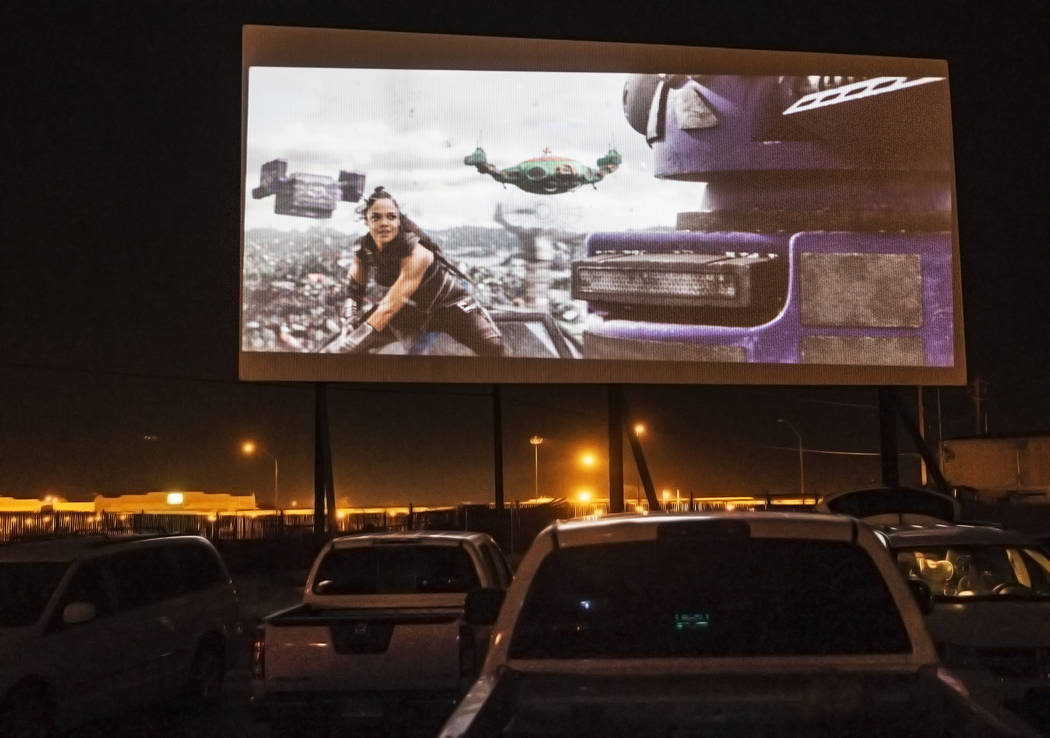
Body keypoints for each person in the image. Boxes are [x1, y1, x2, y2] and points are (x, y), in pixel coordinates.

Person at [333, 187, 504, 356]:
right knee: (358, 346)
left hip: (451, 307)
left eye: (391, 217)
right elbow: (354, 291)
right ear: (366, 221)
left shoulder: (417, 253)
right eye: (376, 217)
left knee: (494, 348)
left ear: (398, 221)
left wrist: (353, 341)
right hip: (410, 312)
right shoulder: (363, 250)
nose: (384, 223)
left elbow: (388, 307)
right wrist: (349, 319)